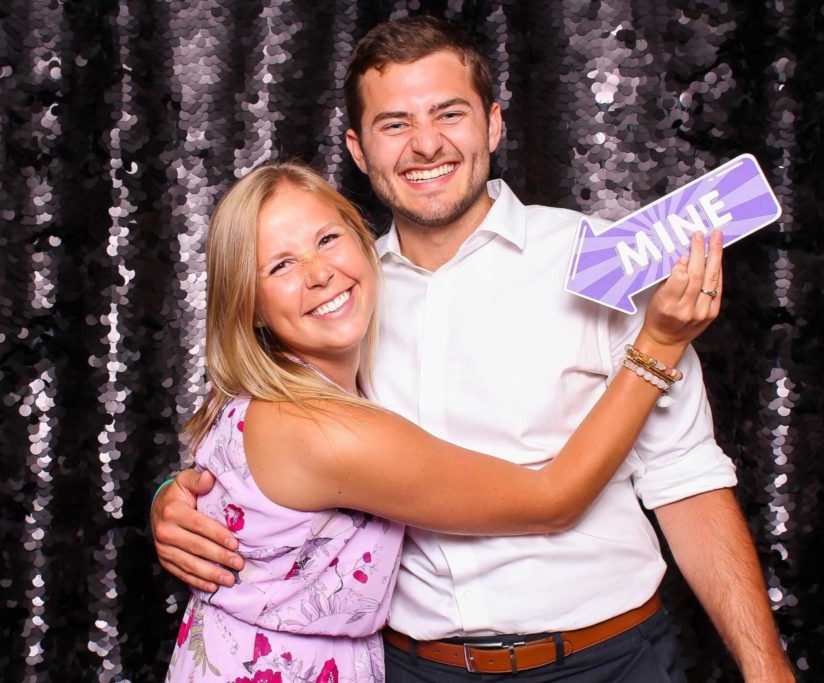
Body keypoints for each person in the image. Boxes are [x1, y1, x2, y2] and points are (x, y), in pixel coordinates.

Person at [155, 15, 793, 682]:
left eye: (449, 114)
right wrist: (176, 496)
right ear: (358, 147)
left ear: (493, 123)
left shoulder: (605, 259)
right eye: (395, 123)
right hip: (412, 668)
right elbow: (250, 441)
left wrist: (767, 666)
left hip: (607, 660)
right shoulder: (337, 300)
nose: (425, 144)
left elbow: (685, 477)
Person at [164, 159, 720, 681]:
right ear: (249, 303)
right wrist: (658, 345)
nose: (319, 274)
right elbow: (553, 498)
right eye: (280, 265)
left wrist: (168, 495)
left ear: (364, 243)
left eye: (327, 240)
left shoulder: (266, 391)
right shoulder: (324, 427)